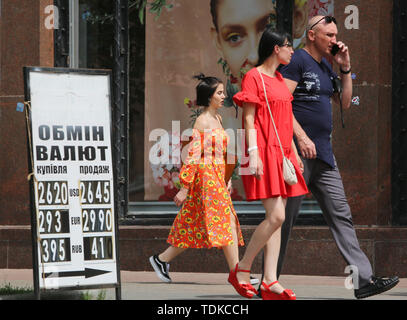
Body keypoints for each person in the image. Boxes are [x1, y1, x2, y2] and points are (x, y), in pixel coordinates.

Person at [276, 15, 399, 299]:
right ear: (311, 35)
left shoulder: (325, 66)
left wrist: (345, 69)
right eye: (329, 35)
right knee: (283, 219)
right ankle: (269, 280)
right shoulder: (297, 62)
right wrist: (301, 138)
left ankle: (363, 280)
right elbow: (281, 104)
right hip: (297, 153)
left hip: (324, 154)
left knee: (341, 215)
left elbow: (347, 101)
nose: (335, 40)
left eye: (335, 35)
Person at [231, 27, 309, 300]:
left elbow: (284, 121)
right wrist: (252, 153)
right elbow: (249, 118)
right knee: (277, 216)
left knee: (275, 220)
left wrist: (294, 153)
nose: (292, 51)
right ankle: (241, 269)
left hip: (283, 153)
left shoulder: (278, 79)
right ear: (276, 49)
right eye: (289, 46)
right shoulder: (254, 77)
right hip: (262, 150)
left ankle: (270, 280)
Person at [149, 74, 246, 283]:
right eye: (219, 93)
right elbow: (192, 156)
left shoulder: (217, 118)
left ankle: (161, 259)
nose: (223, 96)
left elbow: (219, 153)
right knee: (226, 220)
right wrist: (184, 187)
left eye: (222, 92)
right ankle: (238, 274)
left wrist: (226, 178)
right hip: (205, 176)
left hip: (216, 177)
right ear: (209, 96)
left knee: (193, 225)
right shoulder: (202, 122)